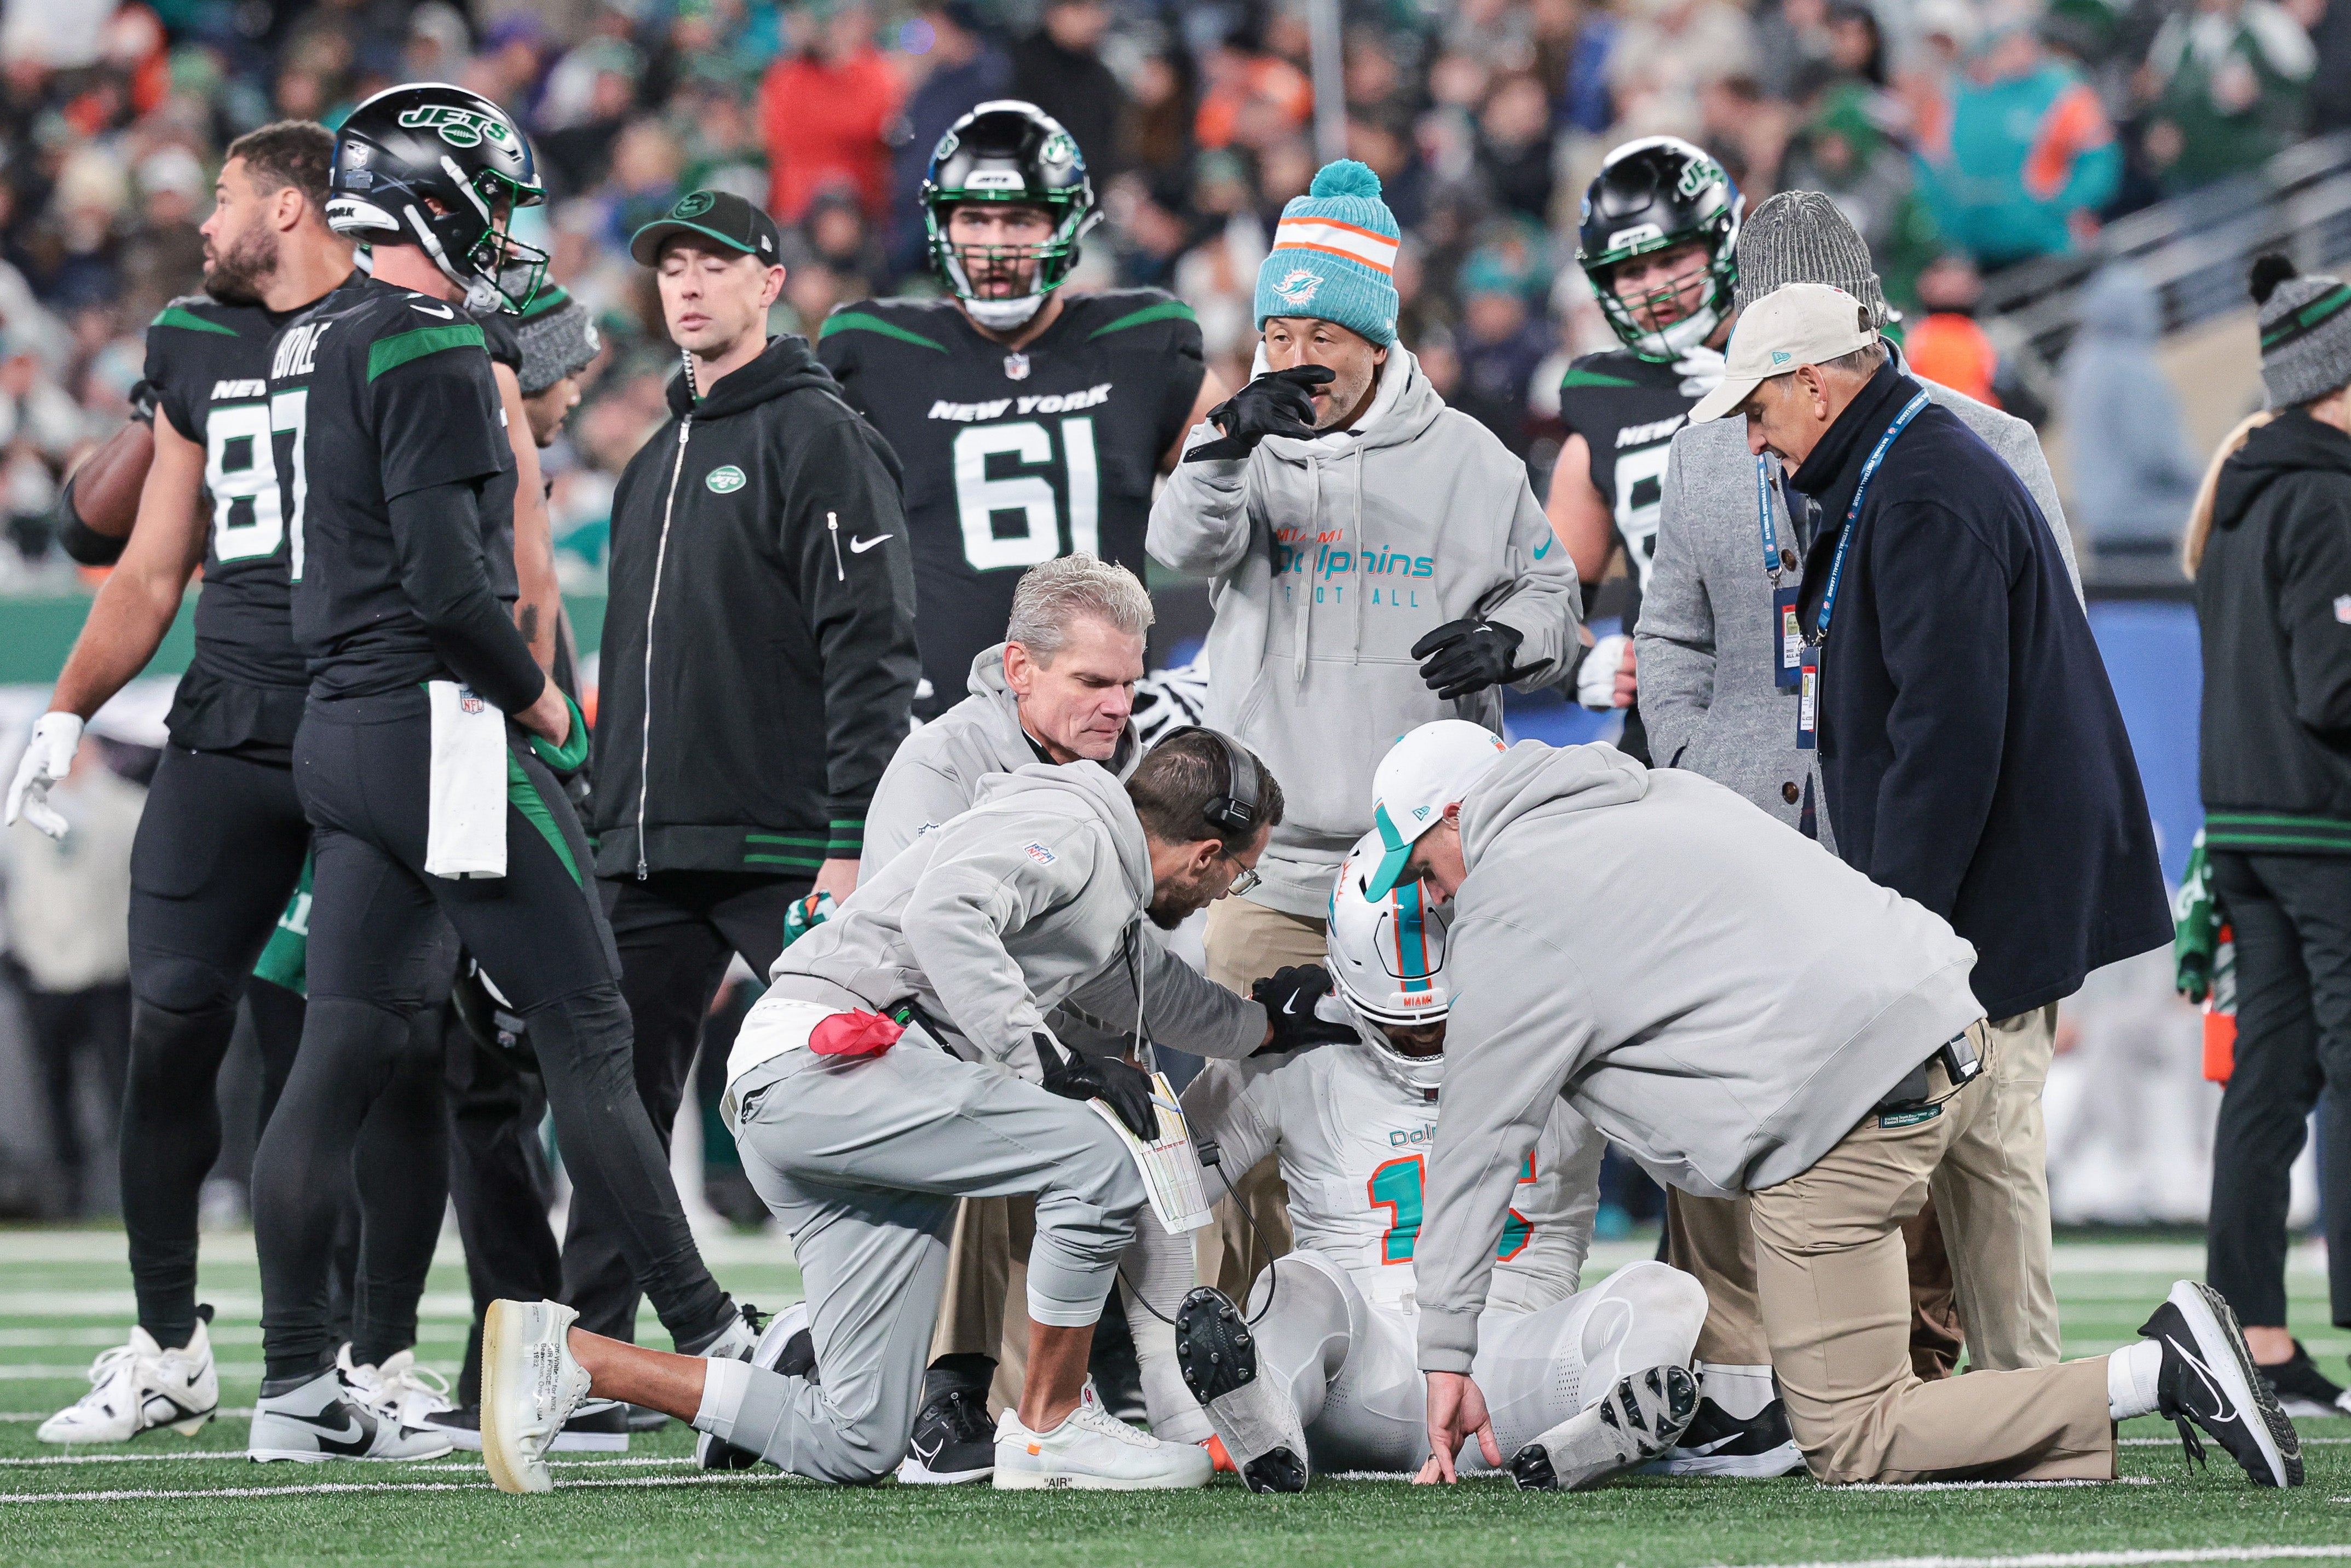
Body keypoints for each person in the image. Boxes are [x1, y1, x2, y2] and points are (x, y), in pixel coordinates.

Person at [1367, 721, 2299, 1490]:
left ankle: (2163, 1368)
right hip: (1940, 1025)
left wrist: (1446, 1354)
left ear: (1457, 813)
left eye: (1420, 863)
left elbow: (1476, 1145)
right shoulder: (1645, 790)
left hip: (1837, 1104)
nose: (1429, 892)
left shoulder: (1510, 895)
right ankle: (2078, 1408)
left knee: (1852, 1433)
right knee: (1872, 1379)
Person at [243, 83, 753, 1464]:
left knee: (344, 1045)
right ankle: (713, 1335)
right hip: (438, 726)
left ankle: (298, 1388)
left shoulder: (316, 332)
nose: (510, 232)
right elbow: (454, 584)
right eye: (498, 202)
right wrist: (539, 706)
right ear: (440, 194)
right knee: (590, 1027)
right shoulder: (425, 344)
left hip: (339, 729)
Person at [476, 731, 1349, 1494]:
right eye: (1241, 870)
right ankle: (1049, 1424)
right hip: (835, 1061)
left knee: (855, 1439)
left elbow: (1148, 992)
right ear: (1204, 853)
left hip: (827, 1098)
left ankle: (579, 1360)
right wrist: (1047, 1062)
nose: (1229, 889)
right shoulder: (1079, 825)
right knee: (1101, 1161)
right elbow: (947, 914)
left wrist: (1265, 1023)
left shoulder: (1099, 869)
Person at [1635, 192, 2087, 1403]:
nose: (1755, 424)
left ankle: (1961, 1383)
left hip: (1927, 840)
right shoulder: (1702, 447)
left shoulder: (1975, 445)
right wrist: (1690, 765)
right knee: (1734, 1117)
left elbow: (2039, 658)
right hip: (1754, 840)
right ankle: (1741, 1383)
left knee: (1963, 1134)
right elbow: (1668, 637)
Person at [2, 122, 378, 1448]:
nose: (203, 225)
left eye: (222, 199)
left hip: (366, 720)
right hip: (228, 719)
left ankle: (343, 1355)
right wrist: (64, 710)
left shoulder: (404, 327)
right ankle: (169, 1345)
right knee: (167, 1021)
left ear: (287, 208)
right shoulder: (195, 343)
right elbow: (151, 570)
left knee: (340, 1044)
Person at [563, 186, 919, 1363]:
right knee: (606, 1101)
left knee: (887, 1082)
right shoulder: (653, 456)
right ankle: (598, 1359)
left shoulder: (818, 432)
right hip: (651, 851)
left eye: (715, 263)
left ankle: (956, 1350)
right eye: (671, 265)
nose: (689, 284)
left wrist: (851, 828)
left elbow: (870, 644)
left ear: (770, 281)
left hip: (783, 841)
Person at [1132, 827, 1709, 1494]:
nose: (1429, 1043)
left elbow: (1697, 1157)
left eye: (1444, 1019)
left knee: (1662, 1290)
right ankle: (1265, 1423)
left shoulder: (1566, 1034)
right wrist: (1170, 1396)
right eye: (1406, 1027)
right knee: (1300, 1282)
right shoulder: (1297, 1050)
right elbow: (1156, 1187)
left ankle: (1590, 1437)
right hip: (1359, 1372)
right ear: (1346, 985)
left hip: (1516, 1368)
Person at [1146, 156, 1581, 998]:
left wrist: (1508, 641)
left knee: (1429, 1110)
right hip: (1264, 871)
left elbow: (1555, 605)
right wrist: (1224, 441)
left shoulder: (1468, 460)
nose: (1296, 361)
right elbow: (1179, 546)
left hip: (1425, 869)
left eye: (1323, 338)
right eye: (1278, 337)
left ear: (1375, 346)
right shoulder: (1246, 450)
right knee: (1258, 1116)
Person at [818, 100, 1226, 720]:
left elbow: (1256, 499)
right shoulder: (876, 353)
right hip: (943, 723)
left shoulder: (1140, 344)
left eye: (1021, 221)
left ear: (1066, 226)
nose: (996, 246)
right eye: (975, 220)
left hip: (1107, 722)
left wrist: (1218, 667)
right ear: (941, 226)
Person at [2185, 255, 2351, 1417]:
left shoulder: (2241, 480)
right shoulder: (2330, 494)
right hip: (2320, 823)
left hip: (2242, 817)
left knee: (2270, 1077)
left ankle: (2250, 1334)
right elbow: (2334, 687)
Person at [1543, 136, 1743, 754]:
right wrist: (1575, 664)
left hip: (1818, 693)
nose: (1654, 287)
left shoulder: (1812, 349)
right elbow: (1539, 595)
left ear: (1722, 241)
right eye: (1632, 271)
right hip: (1675, 720)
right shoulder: (1605, 398)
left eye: (1673, 258)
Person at [2, 730, 140, 1217]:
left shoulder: (128, 809)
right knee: (52, 1093)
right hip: (43, 972)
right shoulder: (18, 811)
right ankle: (68, 1197)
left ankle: (134, 1195)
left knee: (122, 1089)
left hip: (109, 973)